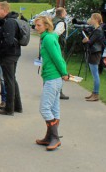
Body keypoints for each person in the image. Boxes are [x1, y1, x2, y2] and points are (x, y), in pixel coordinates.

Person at [34, 16, 68, 151]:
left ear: (47, 26)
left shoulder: (48, 39)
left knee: (44, 108)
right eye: (36, 25)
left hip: (53, 77)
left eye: (39, 25)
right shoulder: (48, 37)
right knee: (54, 108)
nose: (36, 28)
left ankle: (55, 137)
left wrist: (64, 72)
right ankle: (49, 137)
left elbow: (57, 57)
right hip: (53, 77)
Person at [0, 1, 23, 115]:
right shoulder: (8, 21)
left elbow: (8, 41)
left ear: (4, 10)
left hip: (9, 55)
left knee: (9, 81)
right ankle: (17, 106)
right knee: (12, 79)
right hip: (12, 53)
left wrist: (0, 50)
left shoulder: (9, 22)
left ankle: (10, 108)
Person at [83, 13, 106, 102]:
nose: (91, 20)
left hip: (95, 53)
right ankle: (94, 92)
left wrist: (86, 40)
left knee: (95, 74)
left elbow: (90, 42)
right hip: (94, 52)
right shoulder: (96, 29)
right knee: (94, 74)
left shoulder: (98, 30)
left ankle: (96, 93)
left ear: (96, 19)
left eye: (92, 18)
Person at [52, 7, 70, 100]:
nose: (66, 14)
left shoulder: (52, 20)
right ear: (62, 14)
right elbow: (55, 34)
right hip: (58, 47)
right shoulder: (61, 22)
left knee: (51, 67)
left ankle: (50, 89)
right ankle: (59, 91)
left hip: (52, 47)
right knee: (60, 68)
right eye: (65, 12)